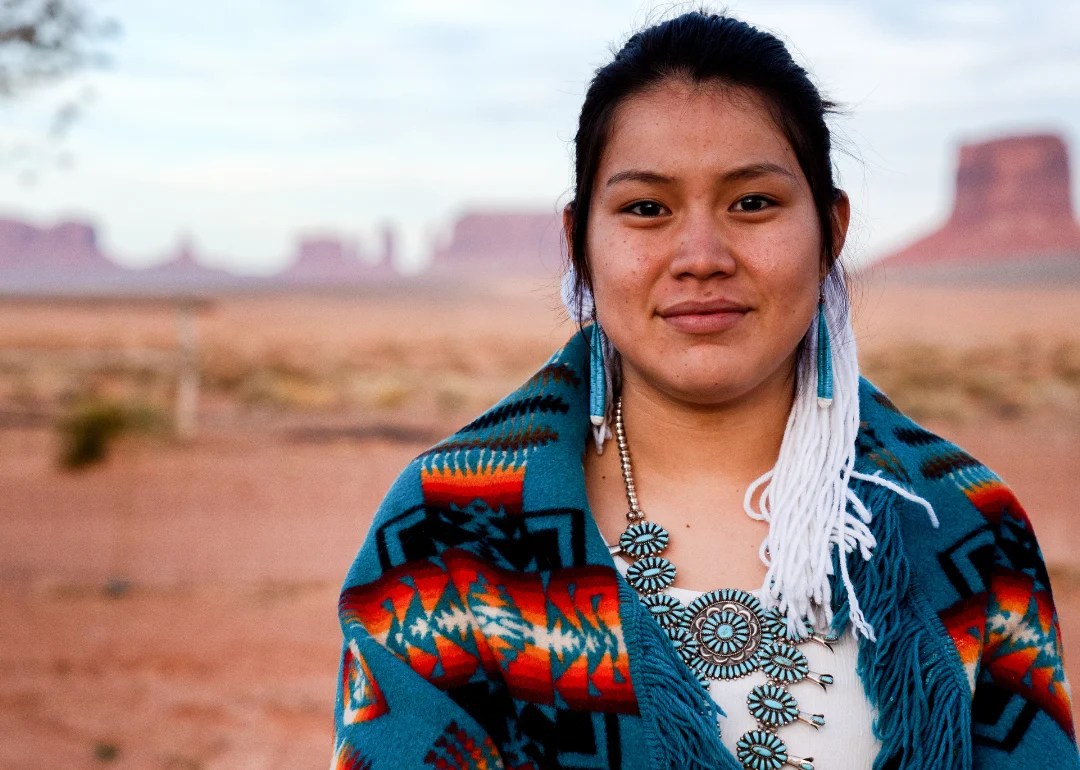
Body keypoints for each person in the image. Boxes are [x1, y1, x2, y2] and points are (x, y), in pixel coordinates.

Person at [331, 10, 1078, 770]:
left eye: (752, 203)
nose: (701, 257)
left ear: (831, 231)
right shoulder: (446, 536)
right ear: (579, 243)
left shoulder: (966, 526)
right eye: (646, 209)